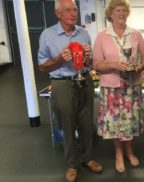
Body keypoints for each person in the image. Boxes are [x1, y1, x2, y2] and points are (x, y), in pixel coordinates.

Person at [38, 0, 102, 181]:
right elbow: (43, 67)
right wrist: (59, 59)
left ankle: (88, 158)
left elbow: (90, 65)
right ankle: (72, 165)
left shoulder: (83, 33)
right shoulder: (47, 35)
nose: (73, 13)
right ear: (58, 14)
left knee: (87, 123)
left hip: (84, 80)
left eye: (75, 9)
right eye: (68, 10)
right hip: (62, 82)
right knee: (67, 125)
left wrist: (89, 58)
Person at [93, 0, 144, 173]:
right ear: (110, 14)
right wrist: (114, 64)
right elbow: (97, 64)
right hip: (112, 89)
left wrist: (138, 67)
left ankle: (129, 150)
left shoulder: (136, 34)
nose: (121, 13)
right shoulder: (102, 36)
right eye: (118, 10)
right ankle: (118, 152)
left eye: (124, 10)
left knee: (129, 121)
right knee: (115, 123)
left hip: (131, 86)